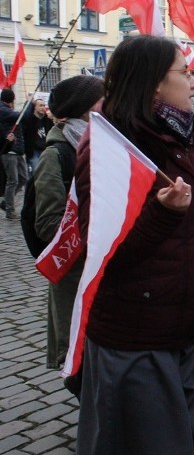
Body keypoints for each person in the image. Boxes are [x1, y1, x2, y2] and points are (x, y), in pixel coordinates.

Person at [74, 35, 194, 454]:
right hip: (139, 339)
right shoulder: (109, 147)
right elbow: (103, 255)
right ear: (155, 83)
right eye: (185, 72)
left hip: (192, 332)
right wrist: (162, 215)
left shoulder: (182, 138)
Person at [33, 76, 104, 372]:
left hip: (103, 271)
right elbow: (48, 224)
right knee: (81, 365)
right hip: (75, 274)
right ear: (87, 109)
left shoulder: (104, 144)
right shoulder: (57, 154)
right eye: (104, 100)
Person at [0, 88, 26, 220]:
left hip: (17, 150)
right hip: (9, 151)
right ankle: (10, 210)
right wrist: (29, 104)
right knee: (13, 180)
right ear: (11, 100)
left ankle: (6, 201)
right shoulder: (3, 110)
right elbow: (20, 116)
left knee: (23, 178)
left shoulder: (7, 111)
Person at [22, 97, 52, 174]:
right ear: (35, 107)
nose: (43, 107)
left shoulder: (48, 121)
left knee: (45, 173)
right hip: (33, 151)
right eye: (40, 105)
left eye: (44, 105)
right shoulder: (29, 120)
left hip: (45, 151)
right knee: (36, 173)